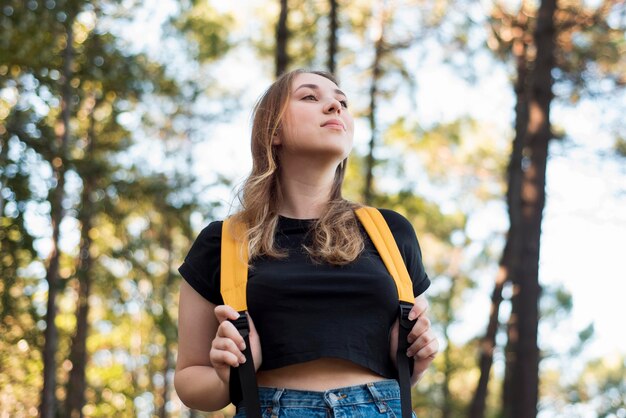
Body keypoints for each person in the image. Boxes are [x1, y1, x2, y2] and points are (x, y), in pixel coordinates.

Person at [174, 69, 438, 417]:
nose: (335, 106)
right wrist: (227, 374)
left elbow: (409, 367)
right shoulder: (221, 241)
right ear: (274, 130)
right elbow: (190, 381)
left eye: (342, 102)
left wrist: (416, 360)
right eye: (310, 97)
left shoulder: (391, 232)